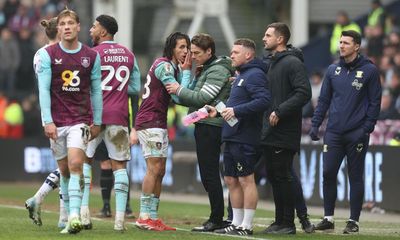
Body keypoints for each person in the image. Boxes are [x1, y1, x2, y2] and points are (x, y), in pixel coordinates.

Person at [35, 8, 102, 234]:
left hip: (80, 120)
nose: (66, 27)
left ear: (78, 26)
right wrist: (47, 121)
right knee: (63, 171)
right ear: (58, 28)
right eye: (62, 23)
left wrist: (97, 121)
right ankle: (64, 217)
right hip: (57, 122)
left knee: (75, 165)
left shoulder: (91, 56)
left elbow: (96, 92)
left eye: (70, 23)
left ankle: (74, 216)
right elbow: (43, 90)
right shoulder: (47, 55)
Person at [310, 30, 382, 234]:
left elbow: (375, 102)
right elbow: (323, 100)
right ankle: (328, 218)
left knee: (355, 176)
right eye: (340, 42)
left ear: (357, 46)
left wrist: (367, 128)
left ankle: (354, 221)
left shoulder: (370, 71)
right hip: (333, 132)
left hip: (356, 133)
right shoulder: (333, 70)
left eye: (346, 43)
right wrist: (316, 125)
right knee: (327, 172)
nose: (341, 45)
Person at [165, 33, 234, 232]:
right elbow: (187, 99)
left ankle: (217, 218)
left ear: (209, 51)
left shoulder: (218, 70)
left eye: (196, 53)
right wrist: (187, 74)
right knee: (212, 173)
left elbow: (201, 97)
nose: (192, 56)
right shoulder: (208, 69)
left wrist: (178, 89)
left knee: (210, 173)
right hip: (206, 125)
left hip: (212, 126)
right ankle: (223, 217)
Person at [82, 14, 140, 231]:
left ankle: (84, 215)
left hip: (93, 118)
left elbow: (83, 85)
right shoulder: (129, 55)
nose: (90, 30)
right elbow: (134, 89)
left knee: (85, 162)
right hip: (118, 116)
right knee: (120, 166)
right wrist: (117, 88)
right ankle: (119, 222)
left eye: (94, 26)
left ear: (103, 31)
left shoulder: (91, 54)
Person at [205, 38, 270, 236]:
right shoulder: (241, 75)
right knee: (231, 180)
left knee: (245, 180)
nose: (231, 55)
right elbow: (236, 105)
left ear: (248, 55)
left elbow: (264, 100)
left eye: (235, 52)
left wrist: (236, 111)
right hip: (232, 135)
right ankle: (236, 222)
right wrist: (218, 112)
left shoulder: (255, 75)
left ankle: (247, 226)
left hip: (245, 137)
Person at [133, 31, 191, 231]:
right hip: (150, 121)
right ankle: (143, 216)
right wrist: (187, 72)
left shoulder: (172, 66)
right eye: (181, 47)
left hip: (158, 122)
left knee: (161, 170)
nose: (185, 51)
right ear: (172, 48)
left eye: (187, 47)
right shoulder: (165, 66)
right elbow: (178, 95)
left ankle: (154, 216)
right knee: (154, 169)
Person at [260, 22, 312, 235]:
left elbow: (304, 92)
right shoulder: (272, 63)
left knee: (282, 176)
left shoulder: (292, 63)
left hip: (285, 130)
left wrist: (280, 111)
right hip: (270, 130)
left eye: (268, 34)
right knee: (274, 175)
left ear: (280, 39)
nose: (264, 38)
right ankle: (279, 221)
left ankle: (288, 223)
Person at [25, 17, 69, 229]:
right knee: (69, 166)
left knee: (66, 166)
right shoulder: (52, 55)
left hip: (53, 113)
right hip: (60, 114)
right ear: (59, 32)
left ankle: (39, 201)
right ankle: (61, 215)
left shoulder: (39, 54)